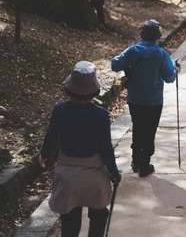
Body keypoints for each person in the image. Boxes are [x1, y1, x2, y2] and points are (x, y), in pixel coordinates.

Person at [39, 60, 121, 237]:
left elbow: (51, 136)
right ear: (93, 88)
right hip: (95, 175)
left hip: (67, 175)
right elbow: (106, 147)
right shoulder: (100, 114)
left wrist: (43, 155)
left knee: (70, 221)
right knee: (99, 214)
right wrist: (114, 173)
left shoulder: (60, 110)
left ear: (70, 86)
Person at [111, 19, 176, 177]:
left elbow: (115, 64)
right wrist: (176, 69)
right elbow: (169, 77)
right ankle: (144, 164)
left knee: (138, 127)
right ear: (157, 36)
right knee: (149, 131)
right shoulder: (161, 54)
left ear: (142, 34)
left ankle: (135, 160)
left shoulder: (133, 50)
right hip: (154, 100)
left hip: (135, 98)